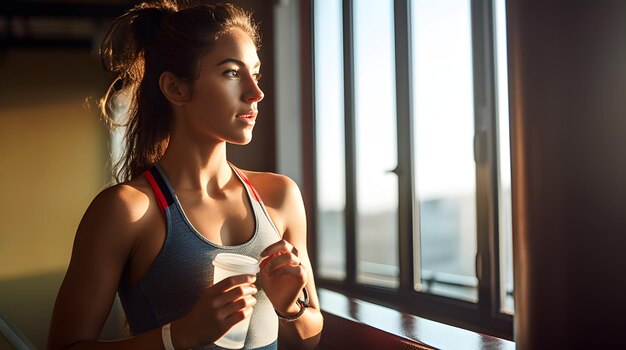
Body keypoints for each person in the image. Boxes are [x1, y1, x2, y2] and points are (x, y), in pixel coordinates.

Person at [47, 1, 323, 349]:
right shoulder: (125, 211)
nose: (256, 92)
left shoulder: (280, 196)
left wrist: (290, 309)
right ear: (176, 88)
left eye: (256, 73)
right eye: (232, 73)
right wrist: (179, 335)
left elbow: (310, 337)